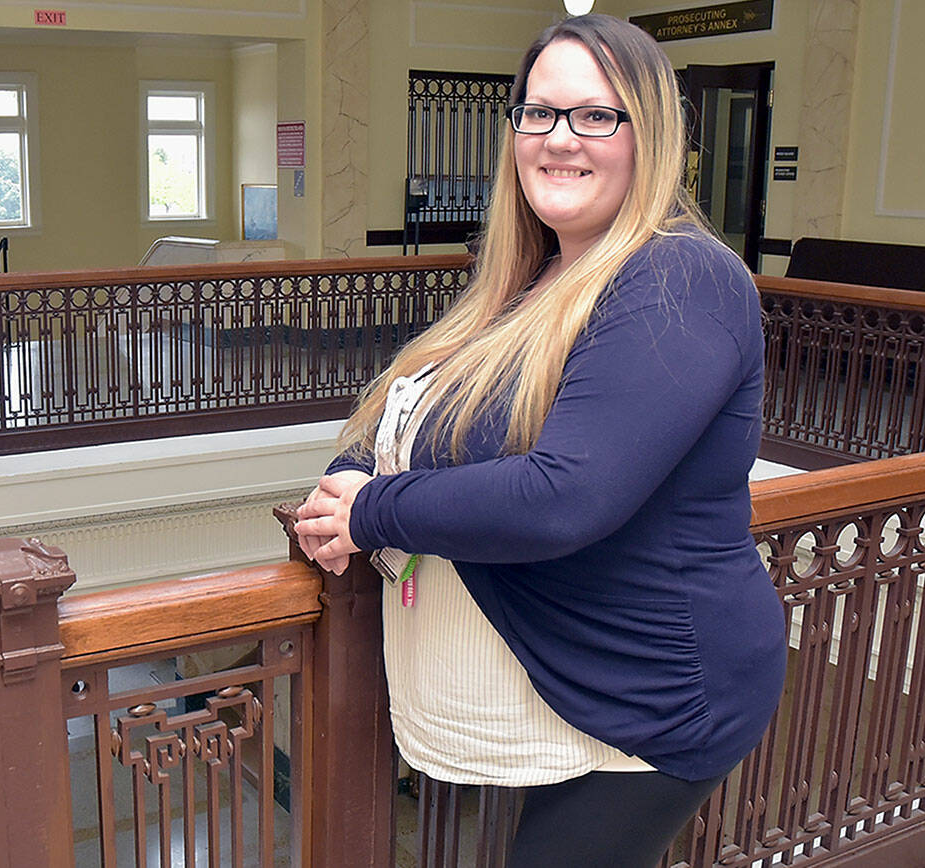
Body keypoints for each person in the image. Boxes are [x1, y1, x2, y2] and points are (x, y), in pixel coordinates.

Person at [293, 13, 787, 868]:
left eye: (597, 115)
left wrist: (372, 510)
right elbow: (417, 407)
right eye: (539, 112)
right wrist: (350, 474)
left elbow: (567, 495)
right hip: (561, 662)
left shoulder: (682, 275)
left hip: (659, 685)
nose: (560, 139)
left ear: (652, 134)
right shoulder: (531, 276)